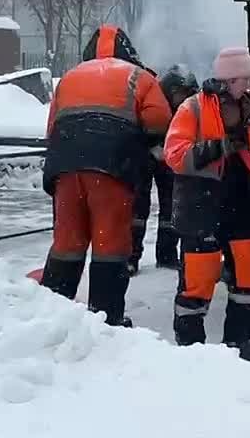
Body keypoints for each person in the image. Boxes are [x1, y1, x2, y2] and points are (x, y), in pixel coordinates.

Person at [38, 24, 173, 326]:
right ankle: (105, 317)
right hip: (112, 167)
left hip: (65, 166)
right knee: (109, 242)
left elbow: (51, 128)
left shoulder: (69, 77)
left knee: (67, 240)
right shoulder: (140, 77)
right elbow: (159, 122)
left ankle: (52, 313)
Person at [164, 47, 250, 361]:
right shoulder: (193, 108)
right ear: (227, 79)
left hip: (243, 203)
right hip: (202, 204)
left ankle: (238, 342)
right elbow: (176, 156)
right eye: (244, 80)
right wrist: (218, 147)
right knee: (198, 279)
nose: (249, 87)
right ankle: (192, 350)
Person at [129, 64, 200, 274]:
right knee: (137, 208)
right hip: (144, 157)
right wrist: (150, 148)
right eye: (183, 94)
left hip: (166, 159)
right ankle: (131, 256)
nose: (186, 99)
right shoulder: (151, 102)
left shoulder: (183, 110)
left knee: (171, 207)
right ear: (171, 90)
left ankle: (167, 256)